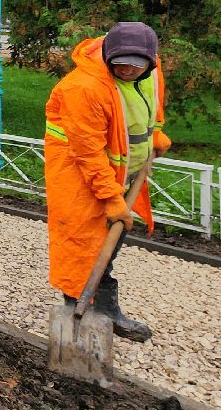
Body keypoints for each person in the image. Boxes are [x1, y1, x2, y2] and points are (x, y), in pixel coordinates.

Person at [44, 21, 171, 342]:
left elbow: (147, 110)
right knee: (81, 248)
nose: (128, 70)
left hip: (120, 176)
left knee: (109, 247)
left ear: (151, 60)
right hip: (79, 179)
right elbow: (87, 152)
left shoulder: (152, 74)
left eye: (137, 64)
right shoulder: (83, 88)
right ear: (108, 56)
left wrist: (154, 135)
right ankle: (77, 312)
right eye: (120, 64)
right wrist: (112, 199)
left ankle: (106, 311)